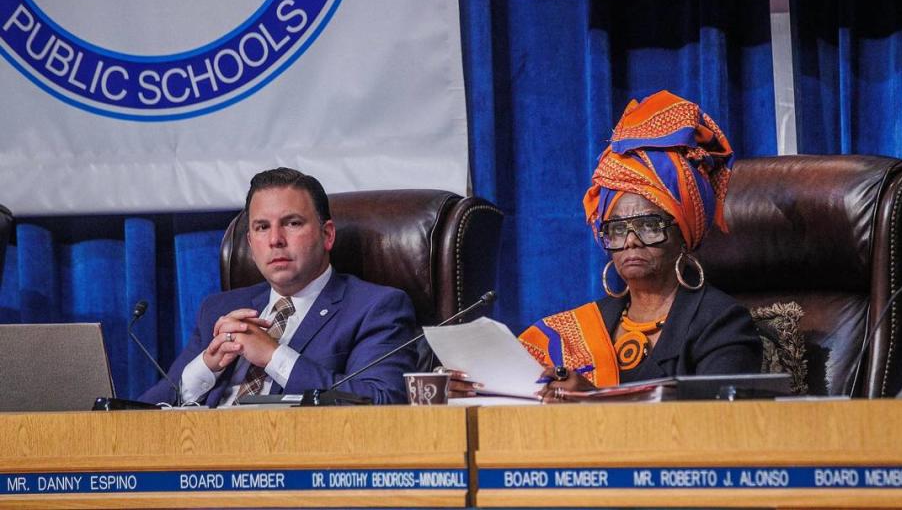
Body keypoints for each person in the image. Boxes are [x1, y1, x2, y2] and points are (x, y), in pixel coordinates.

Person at [449, 90, 761, 402]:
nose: (630, 241)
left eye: (649, 226)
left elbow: (718, 429)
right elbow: (514, 399)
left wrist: (595, 400)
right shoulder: (576, 331)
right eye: (616, 229)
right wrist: (472, 385)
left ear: (684, 233)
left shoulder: (722, 322)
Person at [139, 168, 417, 406]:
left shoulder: (375, 307)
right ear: (250, 243)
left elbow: (382, 401)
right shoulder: (219, 309)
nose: (275, 239)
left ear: (327, 235)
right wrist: (206, 366)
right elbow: (145, 412)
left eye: (292, 223)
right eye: (262, 227)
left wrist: (273, 355)